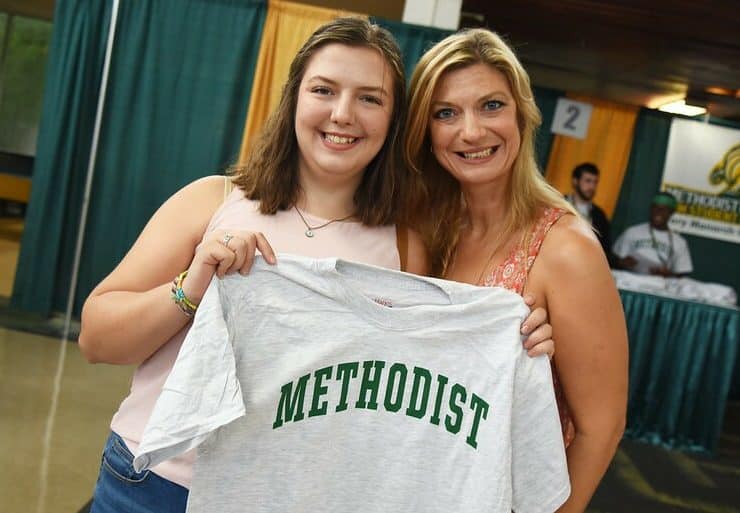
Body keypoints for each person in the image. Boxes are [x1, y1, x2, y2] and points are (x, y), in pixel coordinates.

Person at [78, 18, 555, 513]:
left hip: (290, 498)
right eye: (324, 90)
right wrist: (191, 285)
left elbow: (417, 383)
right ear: (295, 99)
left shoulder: (405, 248)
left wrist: (517, 339)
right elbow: (96, 339)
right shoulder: (210, 202)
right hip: (154, 487)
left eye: (370, 98)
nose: (343, 114)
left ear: (393, 120)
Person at [404, 29, 629, 512]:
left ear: (522, 113)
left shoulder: (567, 250)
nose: (471, 131)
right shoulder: (425, 233)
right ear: (425, 130)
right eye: (446, 113)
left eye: (491, 106)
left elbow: (601, 428)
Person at [613, 191, 692, 277]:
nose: (658, 212)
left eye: (663, 209)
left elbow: (682, 275)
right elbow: (613, 261)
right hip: (631, 282)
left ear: (671, 213)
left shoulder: (679, 242)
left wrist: (668, 275)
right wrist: (622, 263)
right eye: (655, 207)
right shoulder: (632, 232)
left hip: (660, 286)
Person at [565, 162, 614, 264]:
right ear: (575, 181)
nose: (592, 186)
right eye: (588, 181)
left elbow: (605, 249)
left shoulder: (599, 215)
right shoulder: (559, 205)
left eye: (595, 182)